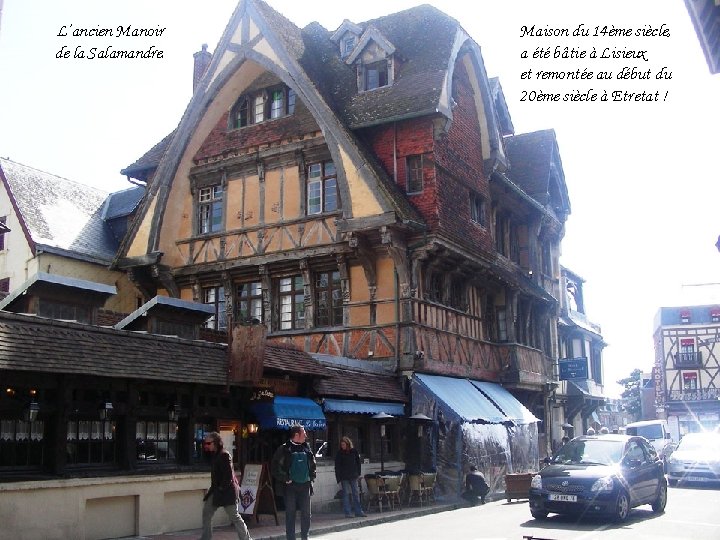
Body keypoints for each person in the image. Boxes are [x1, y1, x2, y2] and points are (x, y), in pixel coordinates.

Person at [200, 431, 252, 540]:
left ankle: (246, 538)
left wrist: (221, 488)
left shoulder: (224, 455)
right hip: (216, 491)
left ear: (216, 443)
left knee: (234, 516)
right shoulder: (214, 455)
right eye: (205, 444)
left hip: (227, 492)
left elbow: (228, 476)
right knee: (207, 512)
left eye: (209, 444)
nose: (206, 446)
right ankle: (206, 537)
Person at [271, 425, 316, 540]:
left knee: (306, 514)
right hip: (290, 486)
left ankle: (305, 537)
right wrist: (285, 478)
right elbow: (275, 467)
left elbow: (313, 465)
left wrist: (311, 477)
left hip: (305, 486)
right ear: (296, 435)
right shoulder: (284, 449)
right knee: (290, 514)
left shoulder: (307, 448)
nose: (306, 435)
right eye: (304, 433)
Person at [334, 436, 366, 518]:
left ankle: (358, 511)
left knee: (355, 493)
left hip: (353, 475)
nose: (343, 446)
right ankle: (347, 512)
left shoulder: (353, 451)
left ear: (348, 444)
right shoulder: (339, 453)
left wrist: (358, 473)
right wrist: (338, 478)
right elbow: (337, 466)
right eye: (341, 445)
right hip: (344, 476)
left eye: (344, 444)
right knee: (346, 494)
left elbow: (358, 463)